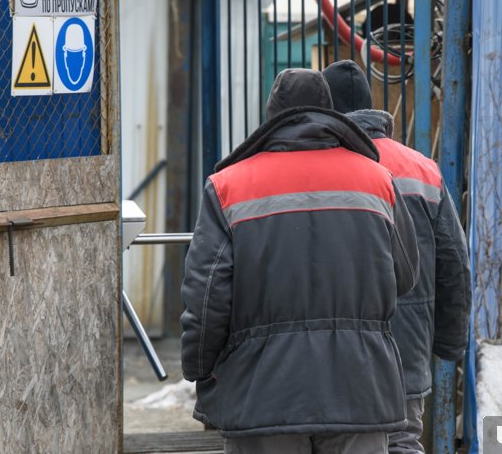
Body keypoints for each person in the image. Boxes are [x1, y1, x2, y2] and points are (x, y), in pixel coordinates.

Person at [180, 68, 420, 454]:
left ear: (271, 117)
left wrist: (198, 366)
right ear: (330, 113)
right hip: (359, 391)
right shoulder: (379, 180)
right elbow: (405, 276)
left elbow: (206, 299)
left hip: (262, 397)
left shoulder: (228, 187)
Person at [323, 60, 471, 454]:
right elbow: (454, 264)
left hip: (336, 348)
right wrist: (448, 343)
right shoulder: (421, 167)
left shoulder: (319, 167)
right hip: (407, 342)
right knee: (403, 438)